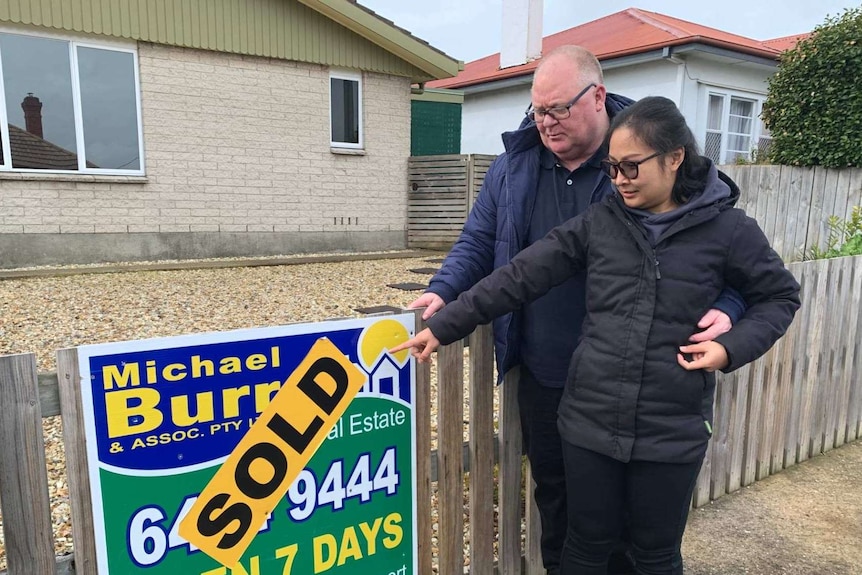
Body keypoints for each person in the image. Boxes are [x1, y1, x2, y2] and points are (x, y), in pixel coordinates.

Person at [395, 96, 801, 574]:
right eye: (612, 168)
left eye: (632, 167)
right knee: (584, 550)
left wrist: (730, 347)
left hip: (670, 430)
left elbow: (779, 297)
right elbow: (519, 275)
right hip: (589, 424)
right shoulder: (600, 223)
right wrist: (444, 325)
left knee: (654, 555)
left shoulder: (728, 229)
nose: (620, 180)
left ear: (675, 158)